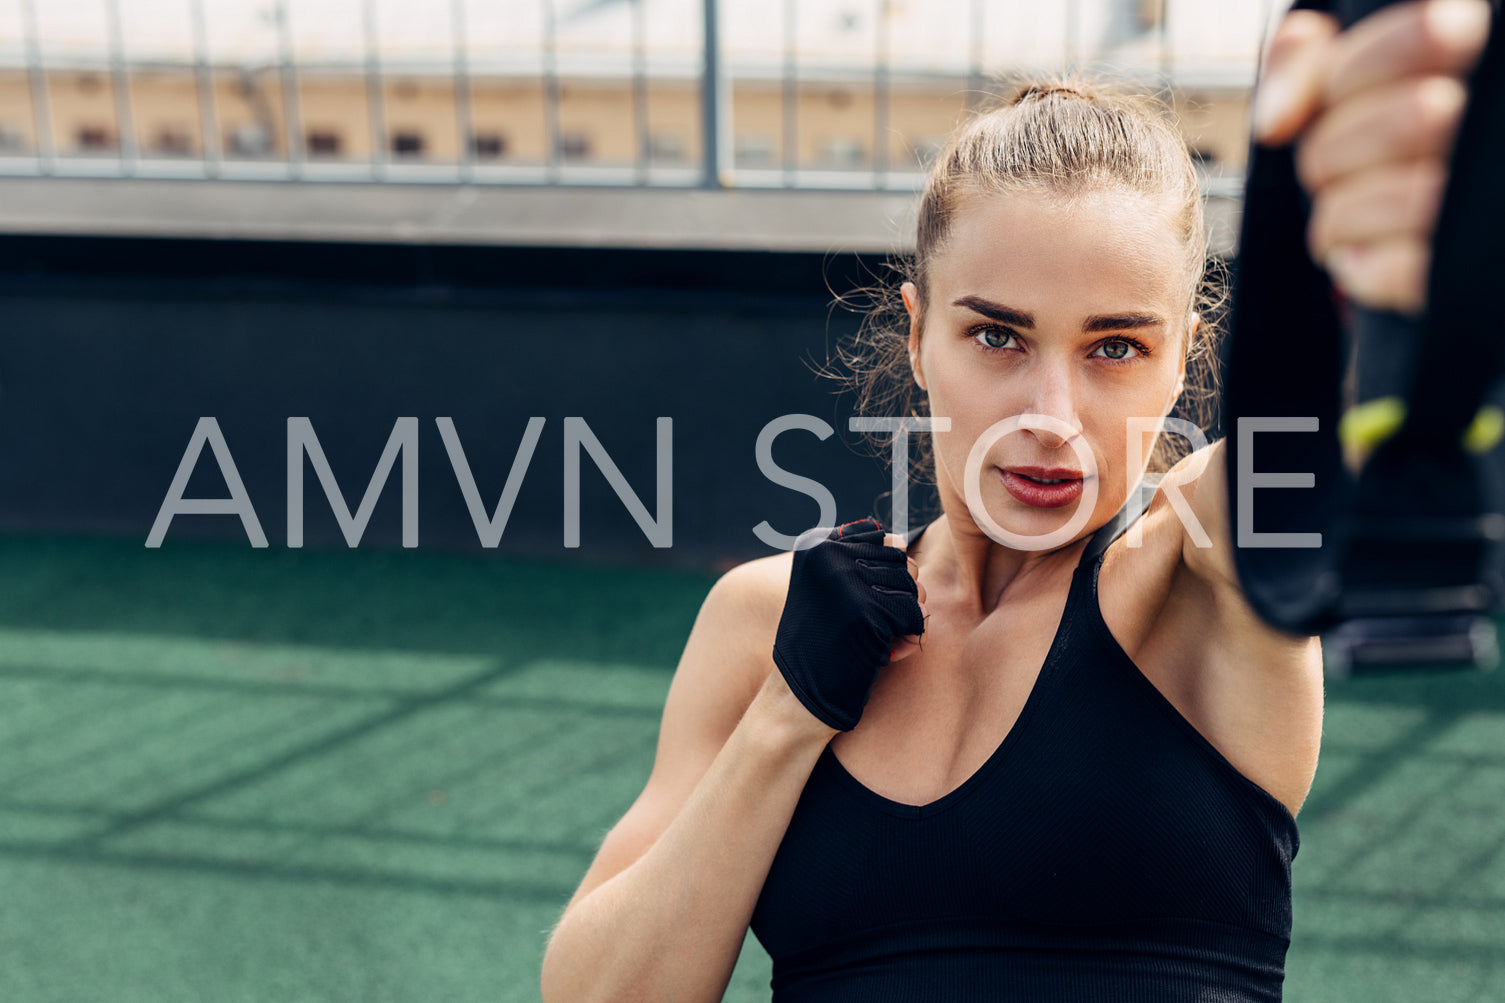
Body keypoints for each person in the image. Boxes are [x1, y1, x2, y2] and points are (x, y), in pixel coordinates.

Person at [539, 1, 1494, 1000]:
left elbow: (1334, 457)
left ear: (1182, 363)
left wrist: (1444, 261)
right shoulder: (764, 620)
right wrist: (787, 712)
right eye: (996, 336)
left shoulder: (1196, 576)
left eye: (1114, 347)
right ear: (916, 338)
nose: (1050, 414)